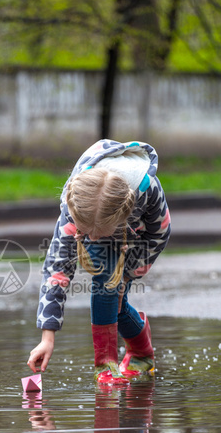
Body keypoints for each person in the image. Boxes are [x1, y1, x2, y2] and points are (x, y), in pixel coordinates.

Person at [27, 139, 171, 385]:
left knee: (110, 289)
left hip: (133, 232)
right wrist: (47, 337)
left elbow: (159, 233)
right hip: (98, 218)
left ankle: (119, 361)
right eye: (87, 233)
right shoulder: (76, 208)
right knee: (109, 290)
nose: (92, 239)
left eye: (98, 234)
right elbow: (57, 270)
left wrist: (128, 275)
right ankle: (127, 358)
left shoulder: (148, 190)